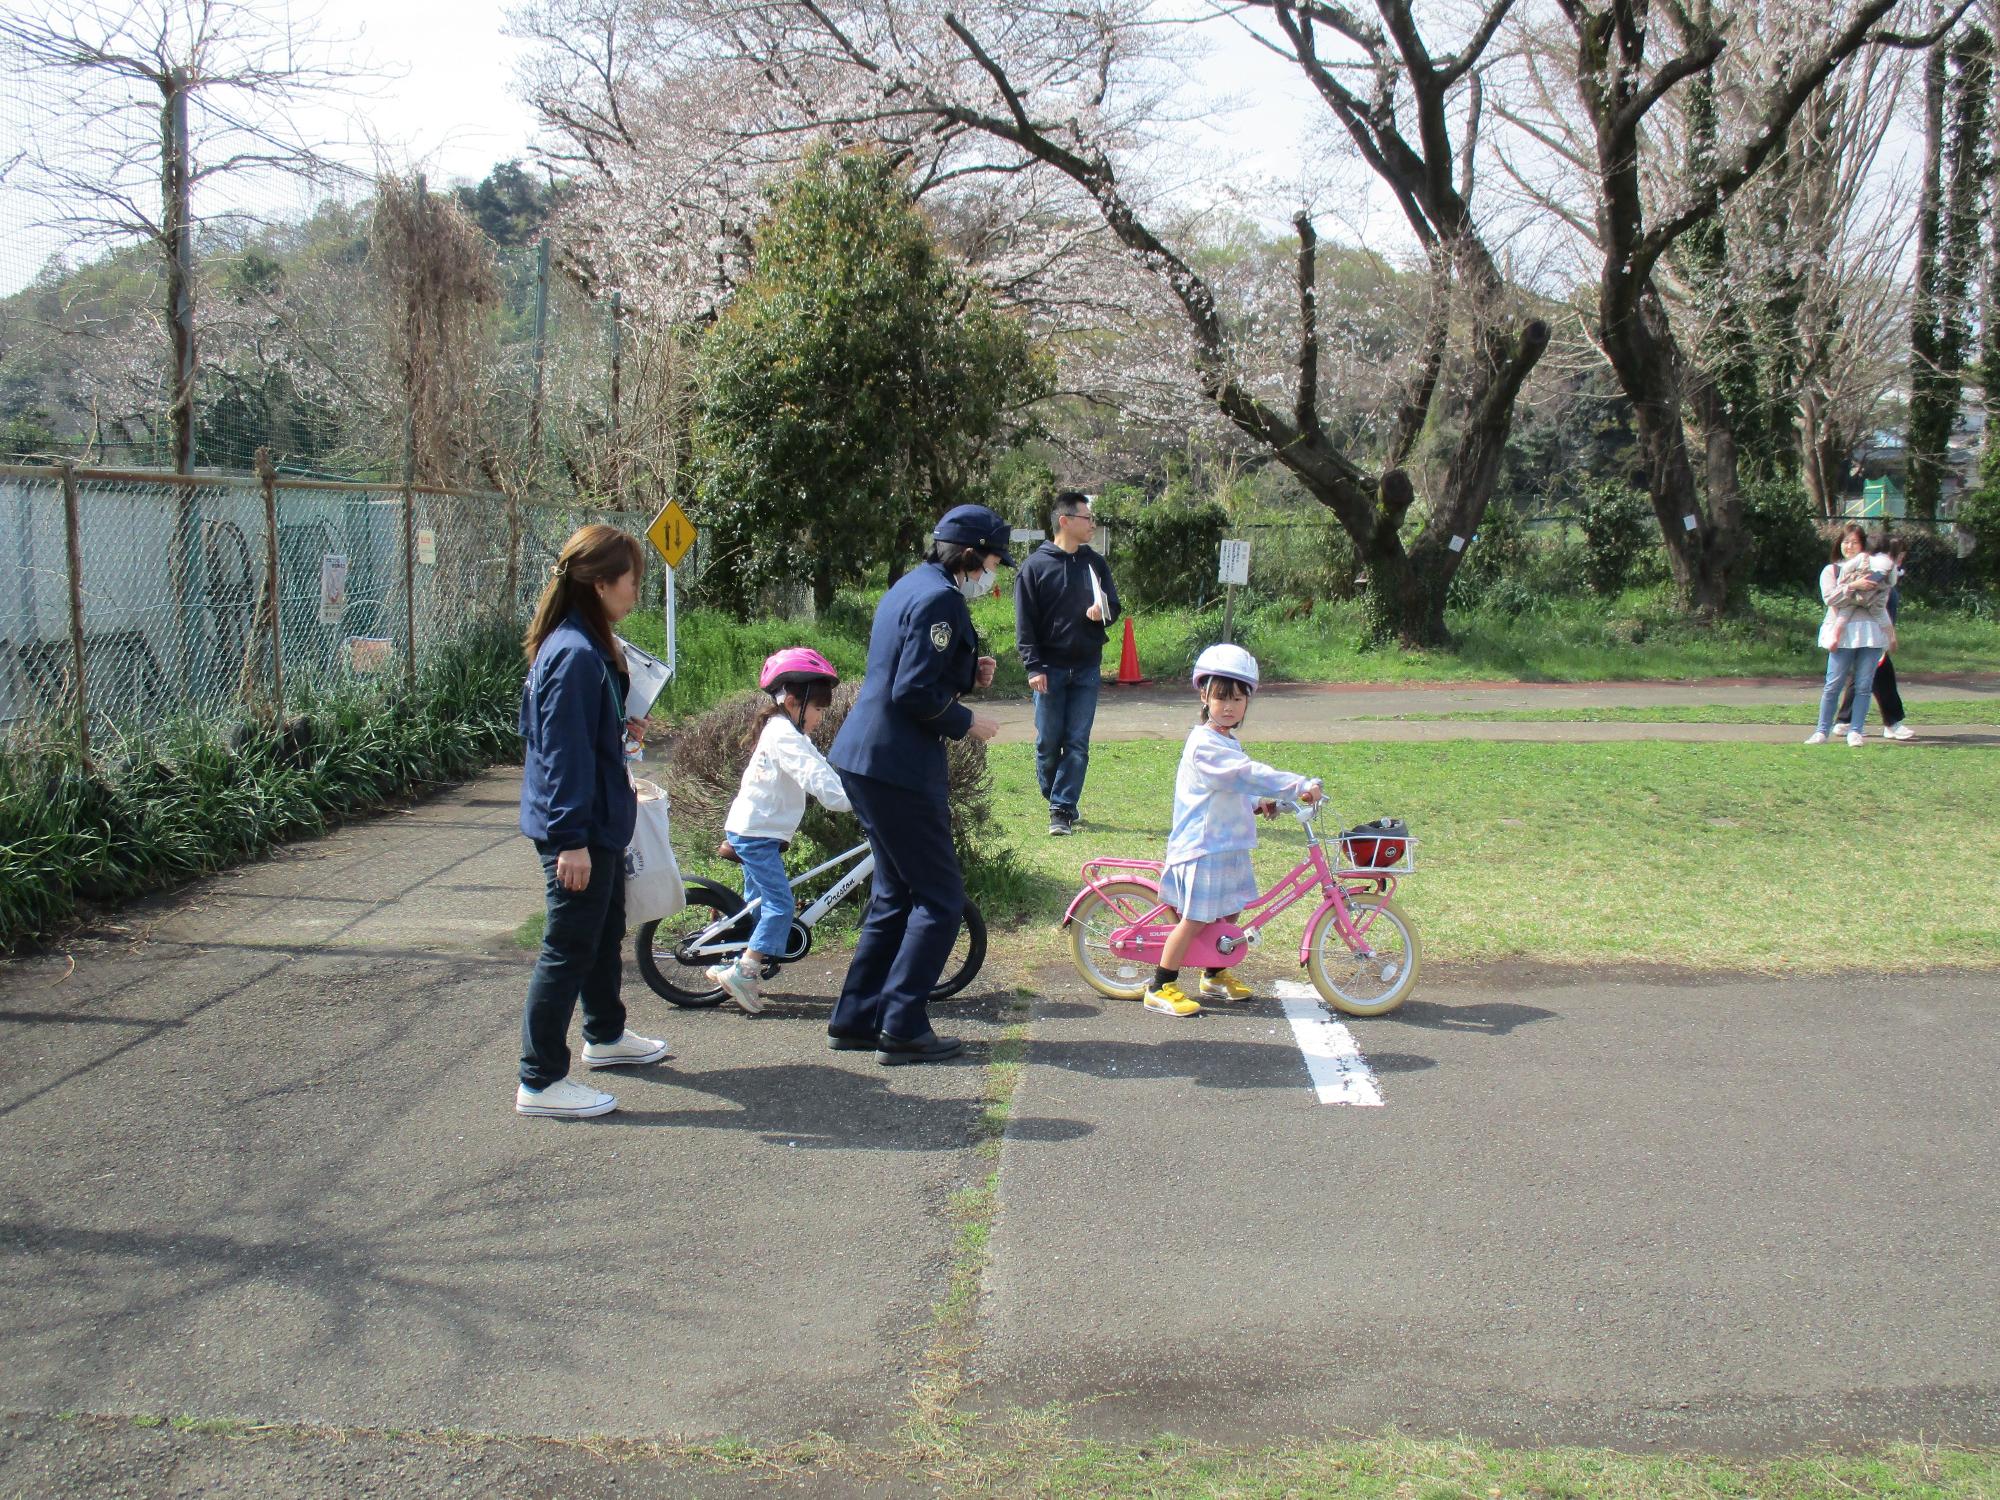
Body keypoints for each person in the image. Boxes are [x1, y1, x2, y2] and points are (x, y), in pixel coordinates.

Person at [826, 504, 1007, 1064]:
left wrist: (966, 674)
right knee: (940, 898)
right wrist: (965, 721)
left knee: (895, 893)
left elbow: (910, 669)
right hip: (896, 764)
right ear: (973, 553)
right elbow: (911, 691)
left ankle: (857, 1017)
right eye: (994, 560)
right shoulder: (941, 597)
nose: (993, 573)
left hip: (867, 756)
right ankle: (902, 1023)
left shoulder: (912, 584)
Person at [515, 524, 672, 1119]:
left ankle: (605, 1036)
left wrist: (621, 731)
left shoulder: (584, 641)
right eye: (632, 581)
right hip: (578, 831)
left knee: (604, 931)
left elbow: (574, 736)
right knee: (567, 948)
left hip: (600, 821)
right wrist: (571, 841)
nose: (637, 591)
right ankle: (540, 1080)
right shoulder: (575, 653)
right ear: (602, 583)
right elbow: (560, 755)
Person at [1143, 644, 1323, 1019]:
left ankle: (1214, 971)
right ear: (1204, 695)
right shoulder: (1204, 743)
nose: (1229, 706)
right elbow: (1243, 773)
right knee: (1196, 919)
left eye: (1238, 699)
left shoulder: (1225, 739)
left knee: (1229, 914)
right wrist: (1294, 785)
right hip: (1203, 847)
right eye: (1221, 697)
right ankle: (1160, 985)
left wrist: (1261, 801)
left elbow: (1235, 786)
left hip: (1229, 845)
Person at [705, 648, 851, 1013]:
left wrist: (856, 786)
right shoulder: (782, 736)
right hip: (755, 835)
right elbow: (814, 777)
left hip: (760, 832)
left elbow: (822, 768)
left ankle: (743, 957)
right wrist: (856, 801)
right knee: (780, 905)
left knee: (759, 906)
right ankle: (745, 971)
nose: (820, 717)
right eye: (817, 708)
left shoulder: (790, 732)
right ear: (792, 701)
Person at [1015, 490, 1121, 837]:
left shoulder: (1095, 563)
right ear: (1065, 521)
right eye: (1087, 519)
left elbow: (1113, 609)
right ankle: (1055, 795)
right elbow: (1025, 623)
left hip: (1087, 667)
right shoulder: (1034, 567)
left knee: (1076, 742)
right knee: (1048, 743)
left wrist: (1100, 612)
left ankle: (1061, 808)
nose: (1093, 525)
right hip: (1049, 669)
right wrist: (1033, 667)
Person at [1808, 523, 1895, 748]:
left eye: (1854, 542)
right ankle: (1821, 730)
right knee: (1833, 684)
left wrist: (1860, 595)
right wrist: (1853, 586)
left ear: (1863, 545)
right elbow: (1830, 598)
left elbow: (1881, 595)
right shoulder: (1833, 570)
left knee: (1864, 684)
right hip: (1842, 633)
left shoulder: (1875, 568)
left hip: (1871, 633)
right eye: (1846, 542)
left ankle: (1856, 730)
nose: (1849, 546)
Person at [1837, 532, 1914, 740]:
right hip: (1869, 633)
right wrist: (1888, 636)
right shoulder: (1871, 570)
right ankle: (1892, 722)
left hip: (1870, 634)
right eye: (1896, 554)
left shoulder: (1881, 570)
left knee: (1864, 676)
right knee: (1881, 675)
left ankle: (1845, 720)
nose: (1898, 558)